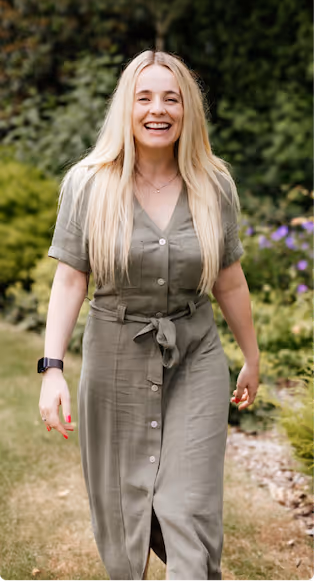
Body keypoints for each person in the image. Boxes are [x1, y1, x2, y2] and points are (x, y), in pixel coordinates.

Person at [38, 50, 260, 580]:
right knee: (124, 508)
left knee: (188, 505)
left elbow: (229, 279)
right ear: (126, 108)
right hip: (114, 356)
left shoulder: (214, 185)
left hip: (196, 354)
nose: (157, 109)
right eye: (144, 97)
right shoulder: (88, 184)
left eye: (171, 98)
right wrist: (52, 370)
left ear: (188, 110)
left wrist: (251, 357)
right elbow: (70, 280)